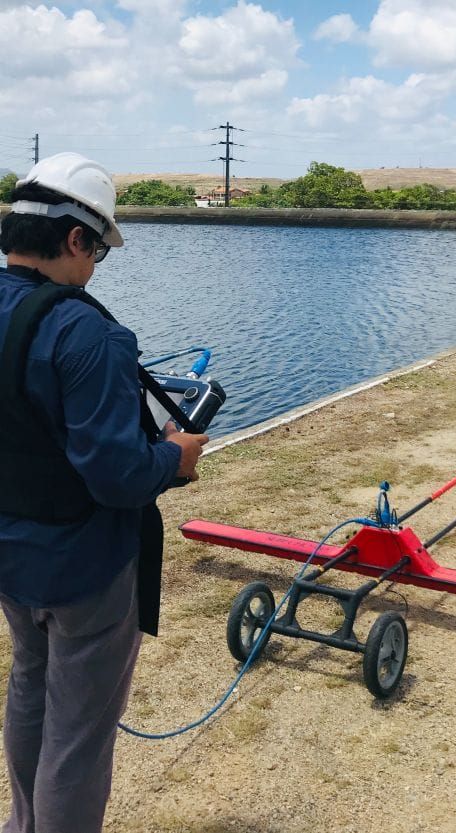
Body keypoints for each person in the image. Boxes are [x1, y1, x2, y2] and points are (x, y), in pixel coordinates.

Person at [0, 152, 208, 833]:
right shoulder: (89, 333)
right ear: (74, 238)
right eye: (98, 251)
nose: (93, 268)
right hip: (85, 568)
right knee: (79, 736)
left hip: (11, 557)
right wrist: (173, 458)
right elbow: (117, 474)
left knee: (29, 688)